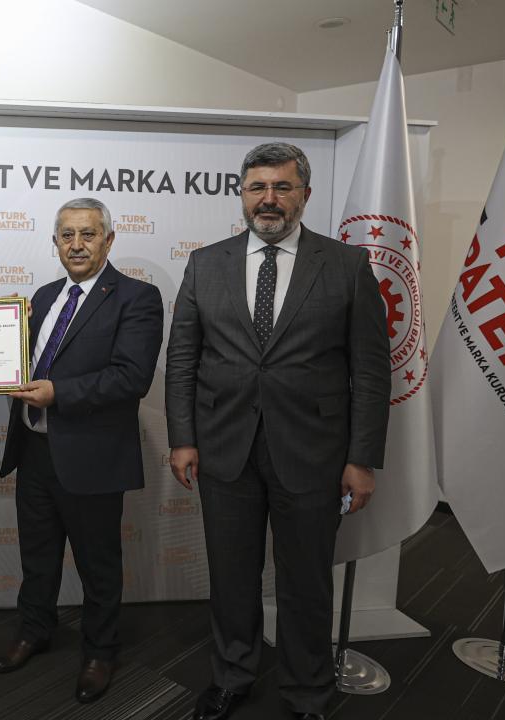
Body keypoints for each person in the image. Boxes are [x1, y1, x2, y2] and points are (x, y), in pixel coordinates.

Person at [165, 142, 390, 720]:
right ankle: (231, 675)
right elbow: (183, 358)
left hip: (314, 453)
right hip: (224, 449)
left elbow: (370, 369)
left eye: (282, 187)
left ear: (304, 194)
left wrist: (362, 458)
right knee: (231, 576)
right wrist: (183, 438)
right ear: (242, 195)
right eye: (257, 188)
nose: (269, 199)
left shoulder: (346, 265)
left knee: (306, 582)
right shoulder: (205, 264)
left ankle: (307, 691)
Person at [0, 198, 163, 704]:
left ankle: (100, 651)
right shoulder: (43, 297)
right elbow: (22, 364)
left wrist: (58, 393)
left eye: (88, 234)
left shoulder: (137, 297)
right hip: (35, 451)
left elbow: (131, 377)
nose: (77, 244)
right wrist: (4, 347)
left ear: (109, 240)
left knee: (98, 564)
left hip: (92, 456)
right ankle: (34, 629)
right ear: (55, 243)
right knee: (37, 556)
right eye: (67, 235)